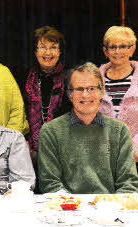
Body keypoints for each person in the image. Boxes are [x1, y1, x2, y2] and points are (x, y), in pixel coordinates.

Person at [38, 63, 138, 194]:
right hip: (66, 210)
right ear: (70, 95)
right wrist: (74, 207)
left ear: (102, 92)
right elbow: (50, 183)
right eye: (79, 89)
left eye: (91, 88)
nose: (85, 95)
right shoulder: (50, 132)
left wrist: (109, 207)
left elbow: (129, 183)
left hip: (109, 209)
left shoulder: (119, 131)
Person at [20, 26, 71, 161]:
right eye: (42, 47)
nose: (48, 53)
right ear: (35, 51)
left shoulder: (69, 78)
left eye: (53, 47)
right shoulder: (23, 77)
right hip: (29, 151)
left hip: (63, 150)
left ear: (60, 52)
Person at [98, 26, 138, 164]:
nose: (117, 51)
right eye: (112, 47)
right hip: (103, 158)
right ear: (105, 51)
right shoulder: (95, 79)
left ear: (132, 49)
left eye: (123, 46)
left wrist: (133, 151)